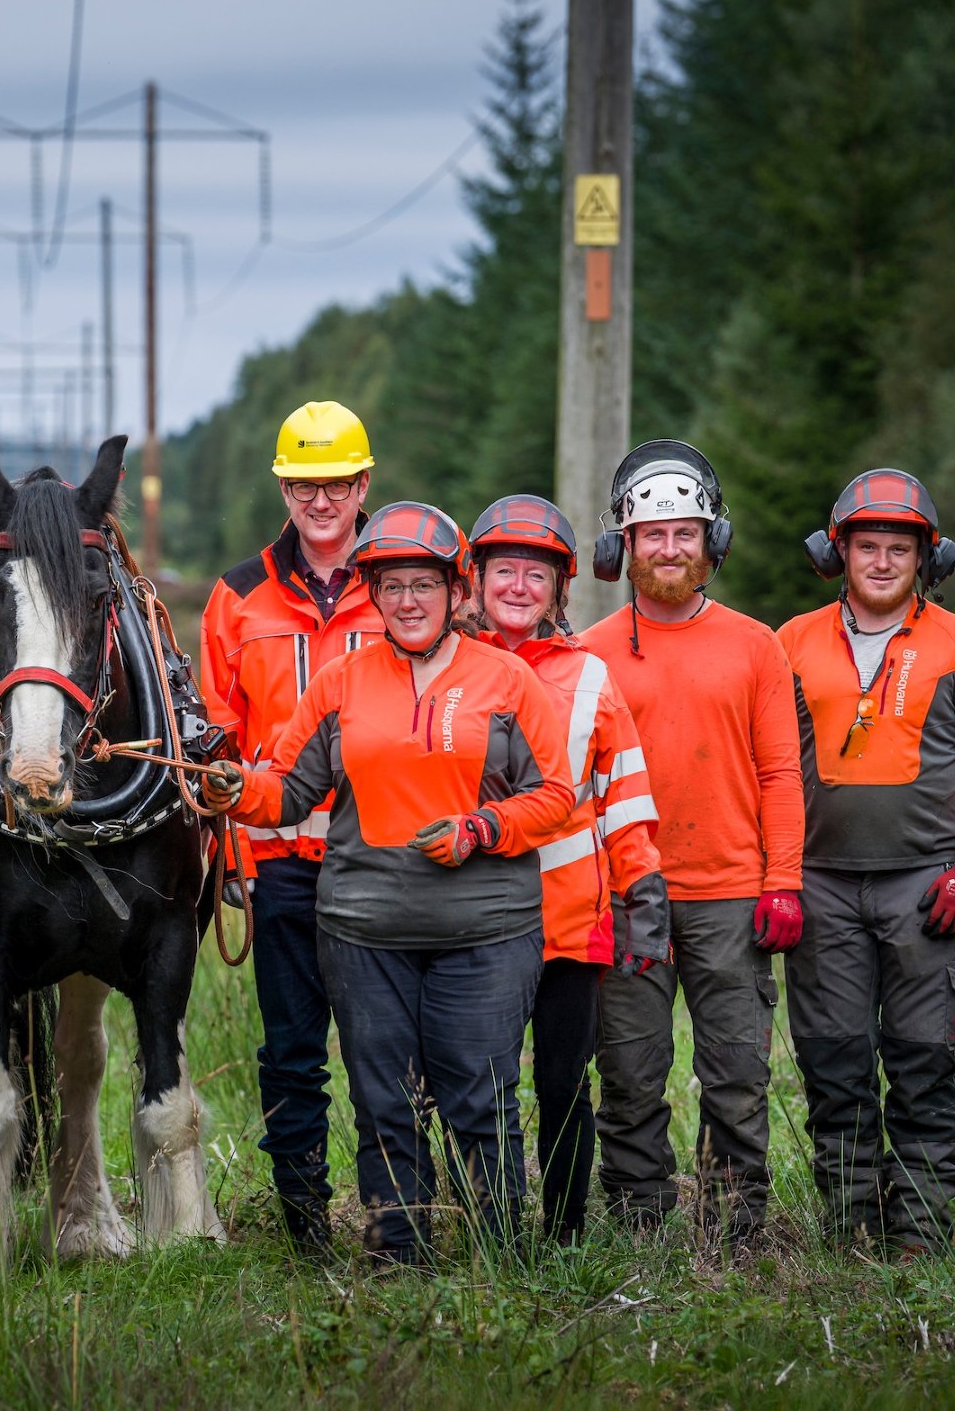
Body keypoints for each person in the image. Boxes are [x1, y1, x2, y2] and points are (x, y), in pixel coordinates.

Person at [202, 502, 574, 1263]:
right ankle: (395, 1255)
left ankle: (500, 1258)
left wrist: (481, 829)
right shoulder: (340, 683)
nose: (407, 601)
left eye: (423, 585)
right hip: (363, 933)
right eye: (392, 585)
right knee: (383, 1104)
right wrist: (234, 789)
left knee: (480, 1096)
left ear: (456, 592)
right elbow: (287, 792)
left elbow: (556, 796)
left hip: (487, 932)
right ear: (373, 592)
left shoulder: (507, 679)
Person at [778, 470, 955, 1256]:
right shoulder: (794, 642)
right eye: (867, 546)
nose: (882, 562)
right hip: (821, 885)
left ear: (927, 558)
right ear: (836, 552)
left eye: (899, 548)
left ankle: (919, 1231)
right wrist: (779, 874)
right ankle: (851, 1226)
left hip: (926, 886)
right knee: (836, 1066)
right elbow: (769, 769)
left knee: (921, 1065)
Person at [577, 440, 804, 1248]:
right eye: (651, 534)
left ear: (714, 542)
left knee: (737, 1076)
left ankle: (736, 1232)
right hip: (626, 899)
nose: (668, 549)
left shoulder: (756, 645)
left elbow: (781, 773)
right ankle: (640, 1223)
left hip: (733, 896)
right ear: (622, 548)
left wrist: (783, 882)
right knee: (630, 1077)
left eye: (685, 532)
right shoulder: (591, 654)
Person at [196, 399, 383, 1253]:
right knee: (293, 1049)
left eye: (335, 484)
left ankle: (397, 1213)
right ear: (283, 486)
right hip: (277, 860)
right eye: (304, 485)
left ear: (362, 485)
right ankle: (305, 1221)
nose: (320, 501)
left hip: (388, 858)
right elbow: (215, 738)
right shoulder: (237, 597)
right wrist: (229, 852)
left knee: (388, 1045)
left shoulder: (407, 581)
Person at [468, 494, 669, 1245]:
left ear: (559, 590)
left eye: (536, 575)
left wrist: (642, 898)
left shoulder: (591, 679)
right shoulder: (445, 668)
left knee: (562, 1088)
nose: (519, 587)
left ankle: (563, 1238)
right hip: (470, 925)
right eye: (504, 571)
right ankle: (490, 1230)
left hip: (568, 925)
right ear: (476, 579)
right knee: (479, 1089)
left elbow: (624, 798)